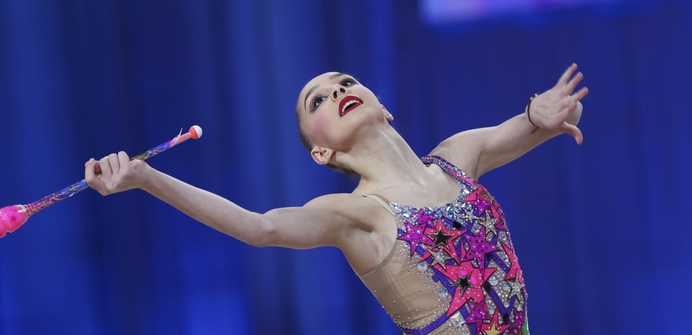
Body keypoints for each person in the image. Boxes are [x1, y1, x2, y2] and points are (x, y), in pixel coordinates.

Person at [85, 63, 588, 334]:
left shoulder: (458, 155)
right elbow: (259, 228)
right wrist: (148, 179)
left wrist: (539, 114)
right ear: (321, 152)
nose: (336, 91)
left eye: (344, 82)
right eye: (317, 101)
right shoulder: (355, 214)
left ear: (382, 105)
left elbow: (542, 125)